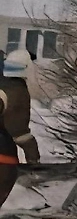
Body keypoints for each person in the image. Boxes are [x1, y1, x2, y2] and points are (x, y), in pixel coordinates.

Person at [0, 50, 40, 209]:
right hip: (2, 151)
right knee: (5, 178)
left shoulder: (3, 86)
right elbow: (18, 132)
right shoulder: (17, 92)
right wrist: (33, 157)